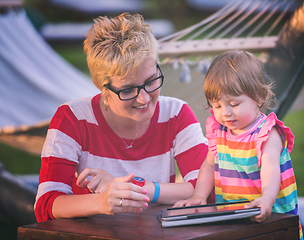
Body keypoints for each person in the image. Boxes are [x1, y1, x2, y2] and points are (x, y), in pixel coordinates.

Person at [34, 13, 208, 223]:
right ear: (103, 88)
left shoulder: (176, 114)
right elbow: (46, 205)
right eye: (128, 90)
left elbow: (206, 191)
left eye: (151, 81)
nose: (144, 98)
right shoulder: (71, 119)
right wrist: (102, 202)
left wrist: (136, 187)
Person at [173, 50, 303, 239]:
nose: (225, 112)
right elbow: (209, 165)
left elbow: (271, 170)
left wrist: (267, 198)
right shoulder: (220, 132)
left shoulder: (267, 133)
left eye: (234, 104)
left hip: (272, 219)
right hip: (234, 219)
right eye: (217, 105)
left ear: (259, 97)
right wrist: (199, 196)